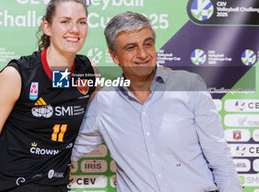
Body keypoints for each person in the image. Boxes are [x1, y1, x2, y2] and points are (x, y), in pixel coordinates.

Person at [71, 11, 243, 192]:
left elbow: (220, 159)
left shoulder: (189, 85)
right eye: (131, 48)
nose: (143, 54)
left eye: (148, 44)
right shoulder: (103, 103)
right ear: (115, 57)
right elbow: (66, 152)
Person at [0, 0, 97, 192]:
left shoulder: (89, 72)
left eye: (81, 22)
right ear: (47, 27)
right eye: (65, 21)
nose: (74, 30)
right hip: (9, 186)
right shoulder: (16, 76)